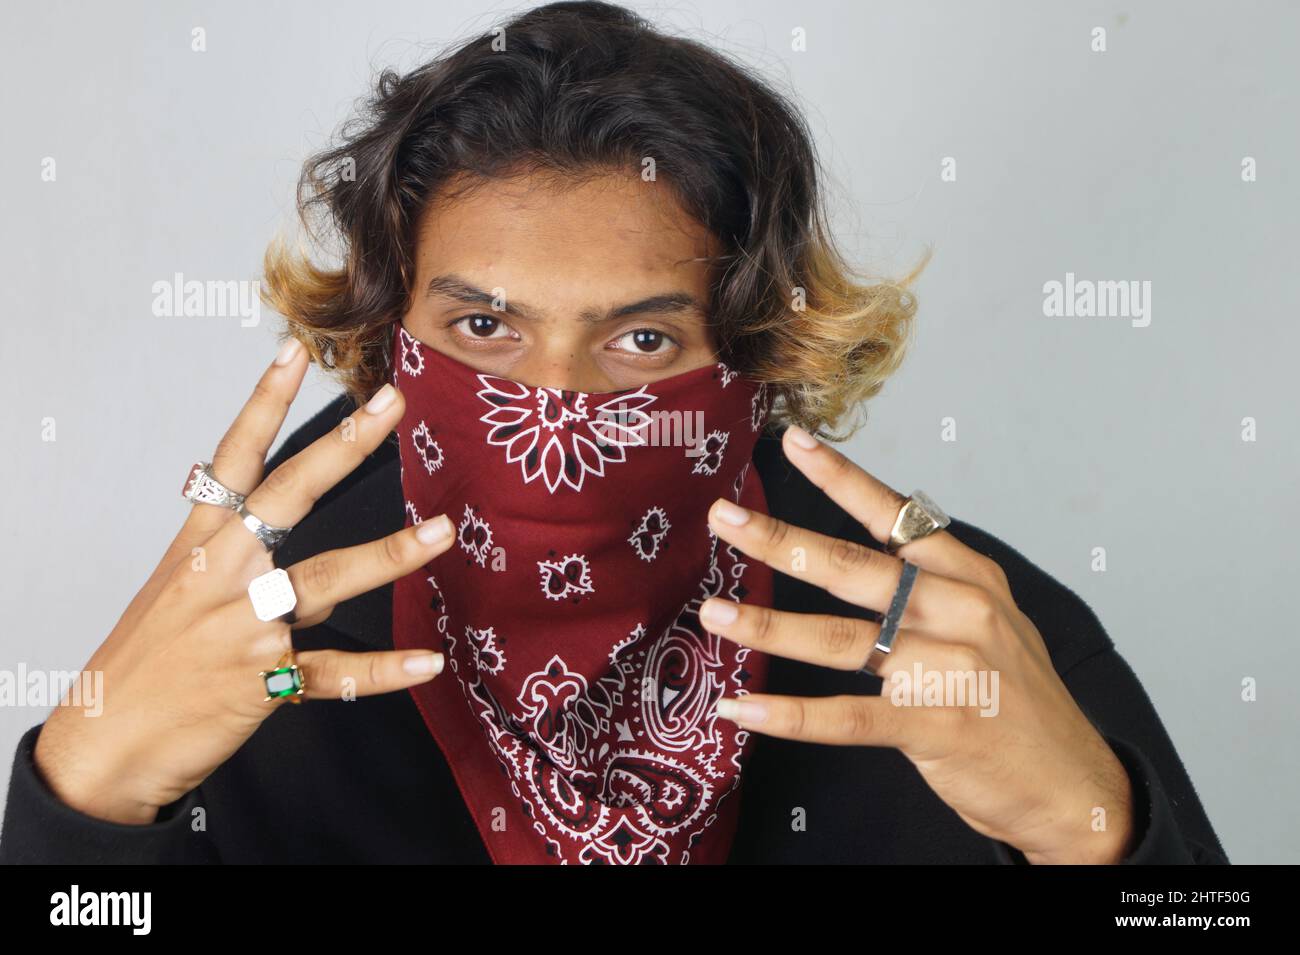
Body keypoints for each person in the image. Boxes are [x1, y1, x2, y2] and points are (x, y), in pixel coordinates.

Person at [0, 1, 1226, 864]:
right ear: (388, 334)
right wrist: (85, 803)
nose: (554, 408)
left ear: (750, 350)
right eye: (483, 325)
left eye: (641, 341)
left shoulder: (960, 636)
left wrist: (1098, 836)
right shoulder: (258, 641)